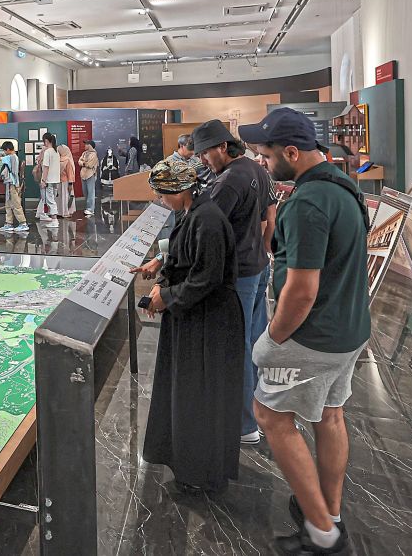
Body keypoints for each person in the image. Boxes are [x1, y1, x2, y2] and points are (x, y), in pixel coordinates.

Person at [240, 107, 371, 555]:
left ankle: (322, 534)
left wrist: (272, 339)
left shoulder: (307, 203)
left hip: (313, 336)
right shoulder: (343, 187)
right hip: (349, 329)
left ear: (292, 153)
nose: (263, 162)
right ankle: (329, 513)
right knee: (330, 415)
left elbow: (301, 291)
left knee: (270, 416)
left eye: (267, 154)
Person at [137, 159, 243, 494]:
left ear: (180, 189)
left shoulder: (207, 220)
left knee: (200, 396)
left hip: (209, 321)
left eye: (163, 194)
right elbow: (182, 259)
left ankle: (201, 472)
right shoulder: (192, 213)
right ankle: (187, 463)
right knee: (186, 392)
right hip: (193, 316)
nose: (161, 200)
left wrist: (166, 297)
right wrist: (161, 283)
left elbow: (206, 278)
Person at [167, 119, 275, 445]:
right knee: (255, 344)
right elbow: (268, 215)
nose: (202, 159)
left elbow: (208, 227)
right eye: (198, 154)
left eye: (205, 153)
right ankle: (257, 413)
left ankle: (244, 424)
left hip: (240, 273)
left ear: (223, 147)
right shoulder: (256, 169)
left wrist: (169, 259)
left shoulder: (228, 182)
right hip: (258, 265)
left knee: (236, 348)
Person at [0, 141, 29, 233]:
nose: (4, 152)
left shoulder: (12, 157)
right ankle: (9, 223)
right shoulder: (11, 157)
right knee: (8, 204)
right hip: (9, 183)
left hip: (13, 184)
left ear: (8, 149)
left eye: (4, 150)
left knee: (16, 204)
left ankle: (23, 223)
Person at [37, 132, 60, 227]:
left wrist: (43, 180)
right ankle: (52, 218)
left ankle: (54, 220)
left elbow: (46, 167)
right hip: (55, 179)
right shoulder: (56, 151)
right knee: (51, 198)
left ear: (46, 141)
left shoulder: (48, 152)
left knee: (50, 200)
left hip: (49, 180)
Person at [79, 139, 99, 216]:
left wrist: (83, 163)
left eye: (86, 144)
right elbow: (79, 161)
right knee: (85, 192)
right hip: (83, 175)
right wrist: (84, 163)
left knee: (91, 192)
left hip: (90, 175)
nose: (85, 145)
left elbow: (90, 165)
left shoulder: (94, 154)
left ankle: (91, 209)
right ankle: (87, 207)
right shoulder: (84, 153)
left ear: (90, 146)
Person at [57, 142, 77, 217]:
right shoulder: (68, 160)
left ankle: (59, 212)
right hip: (66, 182)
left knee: (59, 198)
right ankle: (66, 212)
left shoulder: (58, 160)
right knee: (66, 197)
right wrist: (70, 184)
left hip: (58, 181)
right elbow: (70, 173)